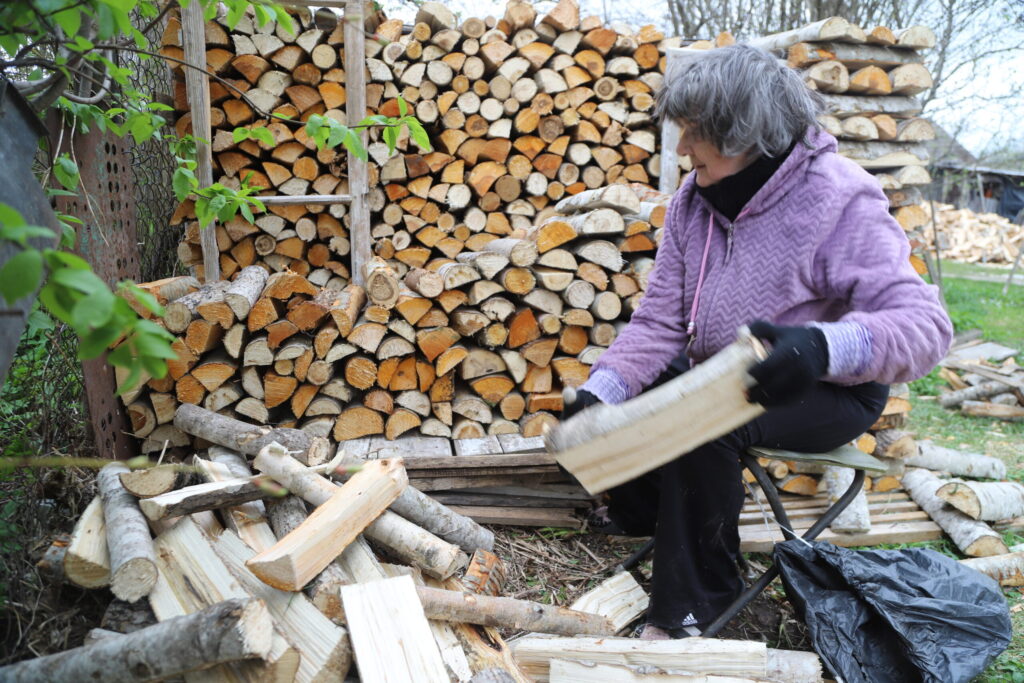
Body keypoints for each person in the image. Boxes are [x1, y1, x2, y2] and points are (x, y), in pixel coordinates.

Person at [562, 45, 952, 640]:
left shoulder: (838, 197)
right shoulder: (692, 203)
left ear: (741, 131)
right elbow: (659, 323)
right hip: (730, 371)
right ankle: (642, 516)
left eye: (693, 132)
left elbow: (926, 325)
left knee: (706, 420)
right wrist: (603, 391)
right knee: (651, 392)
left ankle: (694, 610)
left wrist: (820, 347)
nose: (682, 148)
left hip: (828, 385)